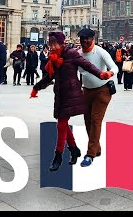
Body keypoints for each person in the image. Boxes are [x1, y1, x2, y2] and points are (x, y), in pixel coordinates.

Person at [30, 31, 113, 172]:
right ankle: (74, 149)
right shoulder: (53, 58)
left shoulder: (72, 54)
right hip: (60, 93)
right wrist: (36, 87)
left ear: (62, 43)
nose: (52, 46)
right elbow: (49, 77)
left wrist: (100, 73)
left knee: (61, 124)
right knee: (62, 124)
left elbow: (87, 66)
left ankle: (58, 156)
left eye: (55, 43)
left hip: (72, 93)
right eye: (50, 43)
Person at [77, 28, 118, 167]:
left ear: (92, 39)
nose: (84, 41)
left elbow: (114, 66)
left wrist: (110, 73)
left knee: (95, 119)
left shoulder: (100, 52)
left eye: (86, 39)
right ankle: (97, 148)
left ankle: (90, 154)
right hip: (87, 91)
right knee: (87, 120)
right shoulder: (78, 54)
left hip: (103, 90)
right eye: (82, 39)